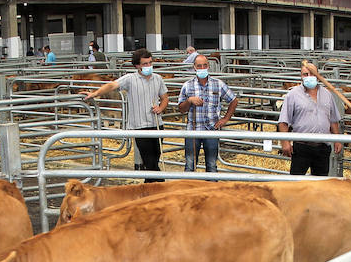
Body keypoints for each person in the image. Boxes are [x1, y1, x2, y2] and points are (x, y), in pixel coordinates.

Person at [81, 48, 170, 177]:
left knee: (156, 157)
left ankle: (150, 185)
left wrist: (161, 108)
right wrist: (95, 93)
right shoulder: (130, 79)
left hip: (156, 124)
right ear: (137, 65)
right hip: (139, 126)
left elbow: (165, 98)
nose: (149, 66)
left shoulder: (158, 79)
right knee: (149, 160)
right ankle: (158, 184)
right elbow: (111, 85)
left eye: (150, 63)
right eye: (145, 64)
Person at [277, 62, 342, 177]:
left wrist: (337, 139)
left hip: (323, 146)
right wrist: (285, 143)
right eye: (305, 74)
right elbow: (283, 121)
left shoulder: (327, 94)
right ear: (301, 77)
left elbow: (333, 120)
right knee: (296, 182)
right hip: (302, 146)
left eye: (312, 74)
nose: (308, 77)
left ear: (318, 76)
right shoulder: (293, 95)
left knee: (321, 183)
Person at [178, 53, 238, 173]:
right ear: (194, 67)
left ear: (208, 66)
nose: (202, 68)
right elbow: (181, 109)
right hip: (193, 130)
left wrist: (225, 119)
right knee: (190, 164)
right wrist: (189, 101)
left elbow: (234, 100)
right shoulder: (187, 86)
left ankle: (211, 189)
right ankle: (190, 190)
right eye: (199, 66)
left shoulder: (218, 84)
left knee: (211, 165)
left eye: (204, 65)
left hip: (211, 130)